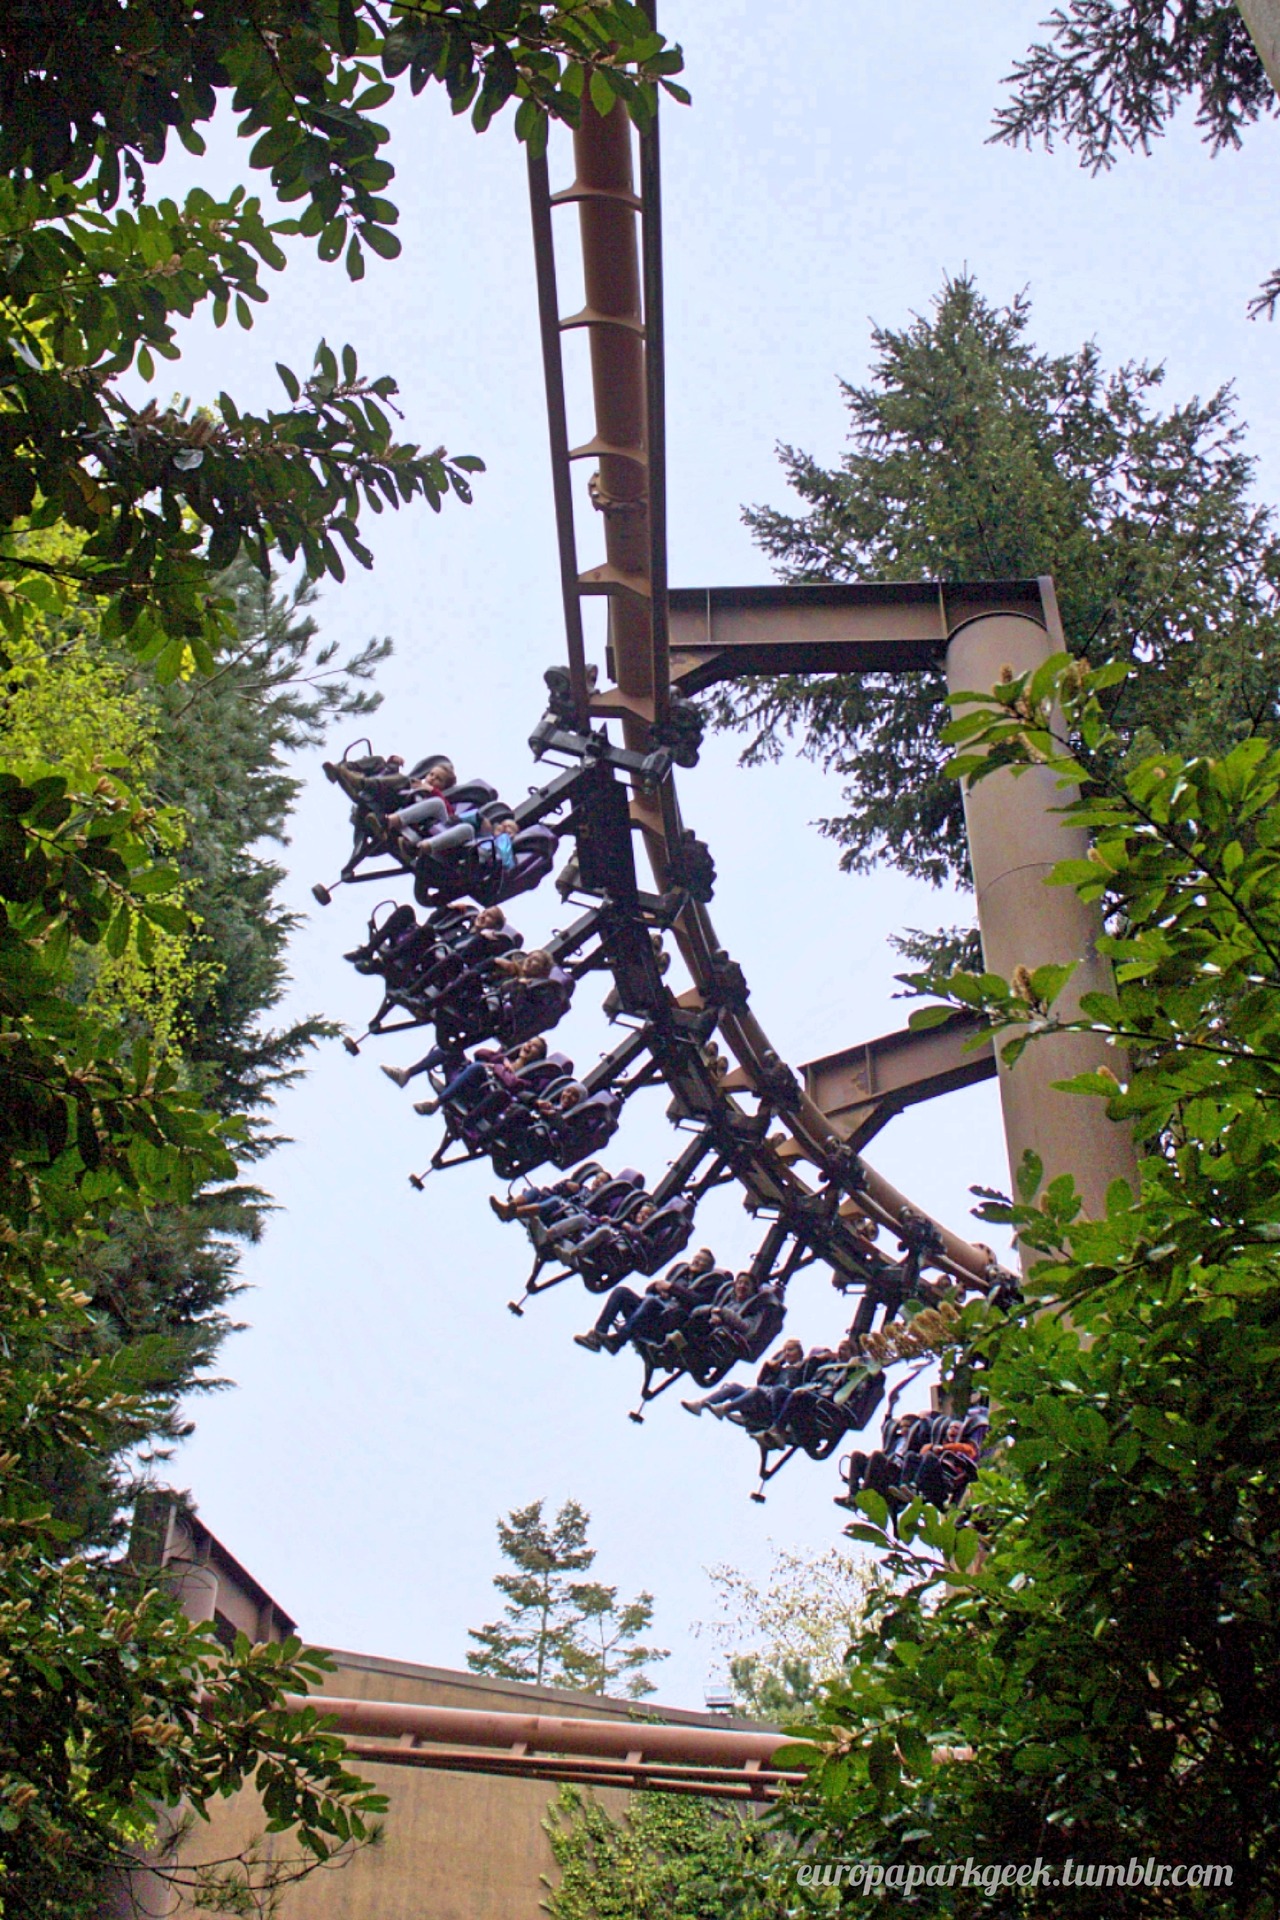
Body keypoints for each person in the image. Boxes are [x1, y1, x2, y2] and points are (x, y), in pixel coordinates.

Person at [573, 1248, 720, 1354]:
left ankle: (618, 1341)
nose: (696, 1261)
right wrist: (657, 1287)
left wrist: (672, 1288)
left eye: (702, 1260)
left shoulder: (709, 1283)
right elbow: (650, 1291)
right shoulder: (681, 1273)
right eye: (696, 1258)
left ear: (708, 1267)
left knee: (651, 1303)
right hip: (650, 1310)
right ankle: (598, 1336)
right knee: (621, 1292)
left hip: (669, 1322)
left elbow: (698, 1301)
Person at [413, 1036, 548, 1117]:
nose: (529, 1045)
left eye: (535, 1046)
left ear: (538, 1057)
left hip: (484, 1095)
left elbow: (512, 1084)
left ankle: (435, 1104)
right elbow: (480, 1053)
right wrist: (502, 1060)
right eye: (529, 1042)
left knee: (477, 1068)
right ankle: (408, 1073)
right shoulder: (505, 1058)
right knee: (449, 1049)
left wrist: (495, 1068)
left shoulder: (529, 1078)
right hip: (469, 1078)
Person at [682, 1338, 806, 1421]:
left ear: (799, 1352)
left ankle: (724, 1409)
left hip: (775, 1405)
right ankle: (700, 1404)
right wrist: (768, 1367)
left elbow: (792, 1388)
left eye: (790, 1350)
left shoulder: (802, 1368)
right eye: (785, 1351)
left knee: (756, 1391)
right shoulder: (781, 1369)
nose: (787, 1353)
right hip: (762, 1397)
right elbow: (761, 1382)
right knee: (734, 1387)